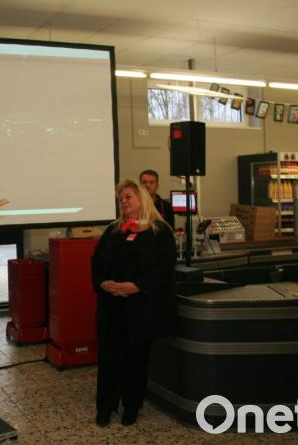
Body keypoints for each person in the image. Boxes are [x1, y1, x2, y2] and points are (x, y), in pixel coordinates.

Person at [91, 179, 177, 427]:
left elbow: (164, 269)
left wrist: (137, 286)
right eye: (121, 199)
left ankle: (131, 407)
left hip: (143, 309)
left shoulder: (160, 232)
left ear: (142, 199)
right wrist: (103, 283)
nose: (124, 202)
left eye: (128, 197)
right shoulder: (113, 231)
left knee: (136, 361)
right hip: (112, 307)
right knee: (109, 359)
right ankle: (105, 408)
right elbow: (96, 263)